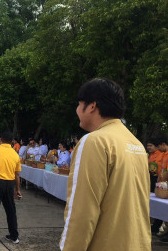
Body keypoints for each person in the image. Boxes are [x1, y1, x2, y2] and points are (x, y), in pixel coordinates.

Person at [59, 78, 150, 251]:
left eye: (79, 104)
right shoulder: (136, 144)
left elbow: (82, 211)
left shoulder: (95, 141)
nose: (77, 110)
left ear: (92, 106)